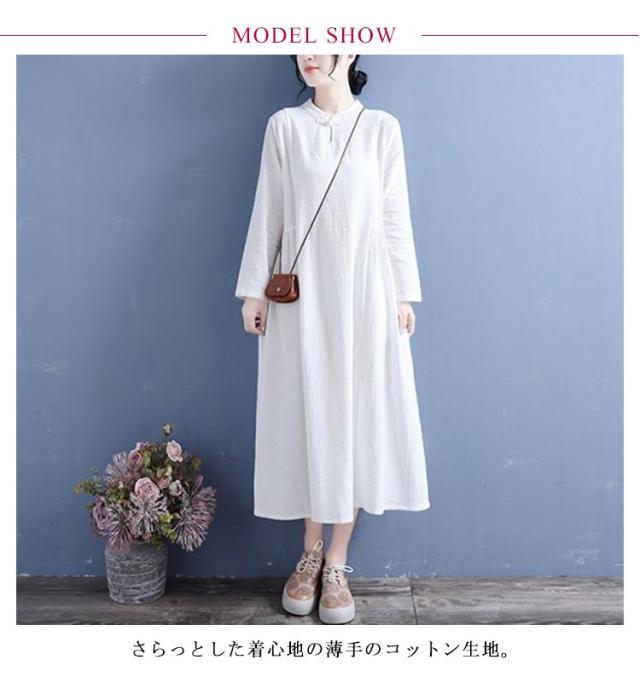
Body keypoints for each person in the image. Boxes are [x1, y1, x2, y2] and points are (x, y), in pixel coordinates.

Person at [234, 54, 430, 624]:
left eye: (321, 40)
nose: (309, 55)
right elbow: (269, 210)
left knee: (356, 420)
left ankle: (336, 562)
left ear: (350, 49)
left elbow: (394, 217)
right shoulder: (285, 126)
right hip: (302, 298)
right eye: (301, 42)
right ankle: (309, 553)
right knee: (308, 415)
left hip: (366, 296)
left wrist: (403, 295)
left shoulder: (381, 128)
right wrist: (253, 292)